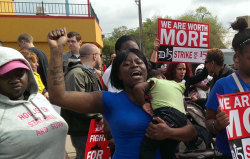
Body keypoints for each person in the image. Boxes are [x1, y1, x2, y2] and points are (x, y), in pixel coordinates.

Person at [47, 28, 197, 159]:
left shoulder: (165, 96)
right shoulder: (108, 100)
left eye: (139, 62)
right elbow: (58, 97)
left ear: (146, 68)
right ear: (118, 74)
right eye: (126, 64)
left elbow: (191, 132)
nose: (134, 65)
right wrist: (56, 51)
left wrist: (169, 132)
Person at [0, 46, 68, 158]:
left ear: (29, 73)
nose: (15, 80)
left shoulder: (40, 99)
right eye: (5, 75)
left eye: (19, 73)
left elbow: (57, 142)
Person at [205, 17, 250, 158]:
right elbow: (208, 121)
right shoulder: (222, 86)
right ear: (237, 57)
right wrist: (218, 124)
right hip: (228, 154)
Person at [133, 69, 187, 159]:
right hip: (182, 120)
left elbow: (138, 88)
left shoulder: (155, 81)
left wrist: (144, 103)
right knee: (168, 151)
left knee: (147, 148)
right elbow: (184, 105)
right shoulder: (176, 85)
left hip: (165, 115)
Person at [61, 43, 102, 159]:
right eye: (100, 55)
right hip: (82, 130)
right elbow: (77, 104)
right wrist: (99, 116)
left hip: (92, 128)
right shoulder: (76, 74)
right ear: (94, 56)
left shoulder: (90, 72)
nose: (100, 58)